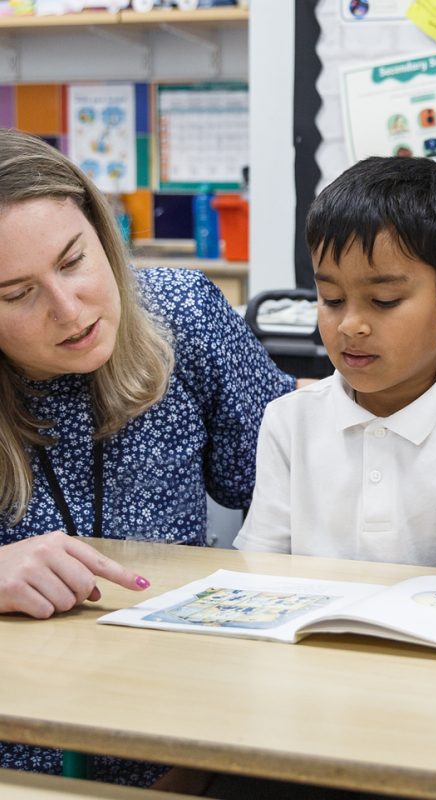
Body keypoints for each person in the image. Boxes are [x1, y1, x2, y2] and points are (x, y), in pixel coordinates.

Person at [0, 129, 296, 785]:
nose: (68, 309)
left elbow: (300, 491)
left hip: (188, 736)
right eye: (17, 294)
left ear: (104, 238)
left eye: (74, 261)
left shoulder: (181, 312)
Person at [235, 156, 436, 573]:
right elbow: (260, 571)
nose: (350, 325)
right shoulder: (288, 420)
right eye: (332, 299)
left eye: (384, 301)